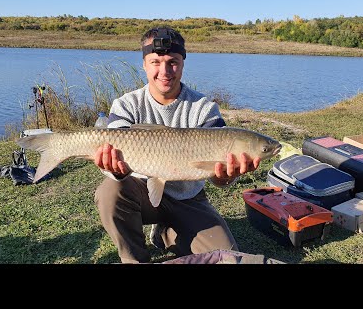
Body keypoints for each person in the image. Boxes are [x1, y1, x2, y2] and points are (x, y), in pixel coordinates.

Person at [93, 26, 261, 263]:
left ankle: (166, 233)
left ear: (182, 63)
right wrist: (113, 168)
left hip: (188, 198)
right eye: (155, 62)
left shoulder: (203, 108)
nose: (164, 71)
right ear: (144, 63)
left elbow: (217, 177)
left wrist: (226, 176)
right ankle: (135, 259)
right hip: (140, 192)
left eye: (172, 62)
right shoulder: (126, 105)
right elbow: (113, 159)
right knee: (110, 191)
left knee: (226, 255)